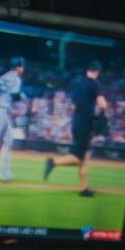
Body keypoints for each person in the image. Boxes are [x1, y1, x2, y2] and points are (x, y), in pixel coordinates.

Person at [43, 60, 108, 197]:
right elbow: (102, 104)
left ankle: (83, 189)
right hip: (85, 124)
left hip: (77, 122)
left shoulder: (79, 83)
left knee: (86, 155)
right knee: (78, 157)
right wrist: (102, 113)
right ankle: (53, 162)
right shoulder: (95, 84)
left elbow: (74, 103)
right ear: (97, 72)